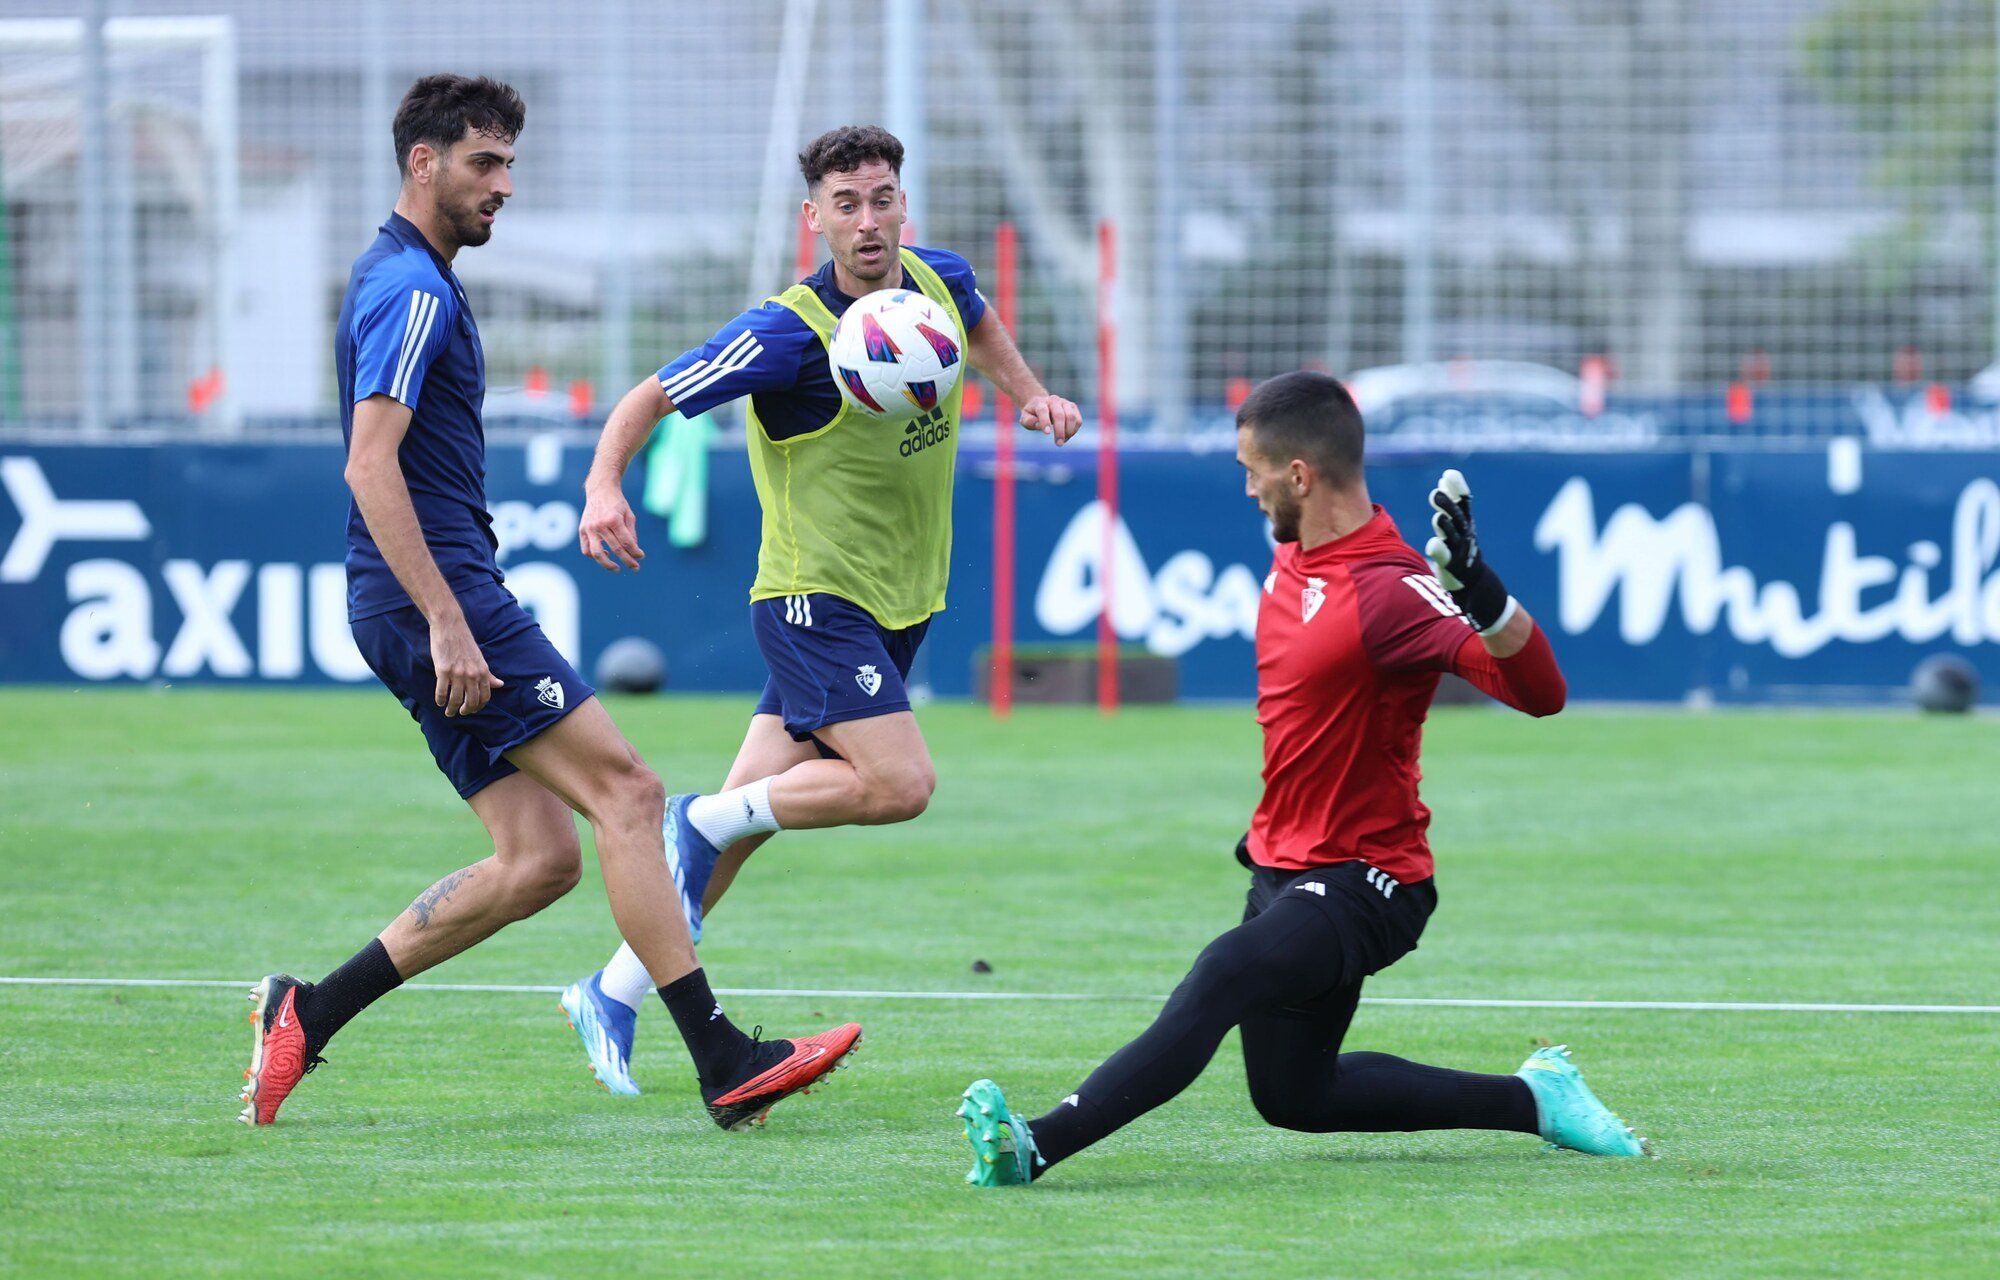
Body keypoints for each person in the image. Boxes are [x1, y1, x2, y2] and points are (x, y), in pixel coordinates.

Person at [238, 74, 858, 1131]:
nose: (504, 186)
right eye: (484, 164)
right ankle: (721, 1057)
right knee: (628, 790)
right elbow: (368, 466)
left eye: (510, 165)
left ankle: (310, 1008)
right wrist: (445, 616)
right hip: (436, 594)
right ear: (422, 163)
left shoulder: (401, 273)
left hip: (408, 596)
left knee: (539, 859)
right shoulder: (414, 290)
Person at [954, 371, 1648, 1186]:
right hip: (1282, 869)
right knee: (1296, 1095)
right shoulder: (1295, 554)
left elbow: (1542, 694)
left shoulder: (1391, 591)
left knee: (1224, 972)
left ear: (1299, 475)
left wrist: (1480, 589)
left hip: (1369, 877)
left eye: (1253, 469)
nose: (1246, 487)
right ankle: (1537, 1101)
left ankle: (1034, 1146)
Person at [557, 125, 1082, 1096]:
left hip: (898, 601)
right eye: (846, 203)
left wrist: (1033, 395)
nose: (868, 220)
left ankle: (612, 988)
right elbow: (647, 397)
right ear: (815, 218)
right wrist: (602, 483)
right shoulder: (784, 334)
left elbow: (979, 321)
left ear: (902, 205)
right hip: (812, 602)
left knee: (748, 829)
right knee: (897, 784)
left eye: (882, 197)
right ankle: (700, 816)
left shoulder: (938, 281)